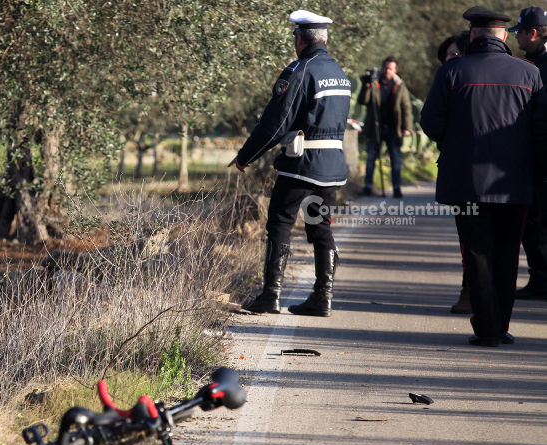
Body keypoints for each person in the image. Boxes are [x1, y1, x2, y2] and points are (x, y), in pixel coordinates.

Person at [420, 6, 547, 347]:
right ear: (503, 36)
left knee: (476, 253)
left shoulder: (452, 72)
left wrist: (456, 141)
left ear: (473, 35)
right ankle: (498, 325)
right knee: (507, 254)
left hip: (467, 185)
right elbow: (541, 132)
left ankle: (486, 326)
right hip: (514, 185)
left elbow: (430, 122)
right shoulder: (530, 74)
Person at [230, 9, 350, 317]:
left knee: (280, 224)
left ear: (299, 39)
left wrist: (246, 156)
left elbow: (275, 122)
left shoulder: (300, 70)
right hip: (332, 166)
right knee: (321, 228)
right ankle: (323, 297)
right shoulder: (340, 72)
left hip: (301, 164)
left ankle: (271, 295)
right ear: (324, 39)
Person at [510, 7, 547, 300]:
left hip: (541, 161)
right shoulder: (533, 62)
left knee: (537, 223)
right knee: (533, 224)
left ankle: (542, 279)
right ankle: (539, 278)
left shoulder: (539, 66)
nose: (516, 38)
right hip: (535, 158)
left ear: (532, 33)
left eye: (519, 32)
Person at [436, 31, 474, 315]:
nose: (447, 63)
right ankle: (470, 292)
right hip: (465, 173)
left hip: (494, 175)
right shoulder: (449, 79)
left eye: (452, 57)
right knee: (469, 240)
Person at [358, 57, 414, 198]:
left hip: (393, 129)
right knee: (371, 158)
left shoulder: (400, 86)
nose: (387, 71)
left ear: (395, 70)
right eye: (385, 68)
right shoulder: (374, 83)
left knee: (395, 159)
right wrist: (366, 86)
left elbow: (406, 107)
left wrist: (407, 127)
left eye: (390, 68)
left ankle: (396, 188)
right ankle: (368, 186)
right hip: (375, 127)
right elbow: (363, 101)